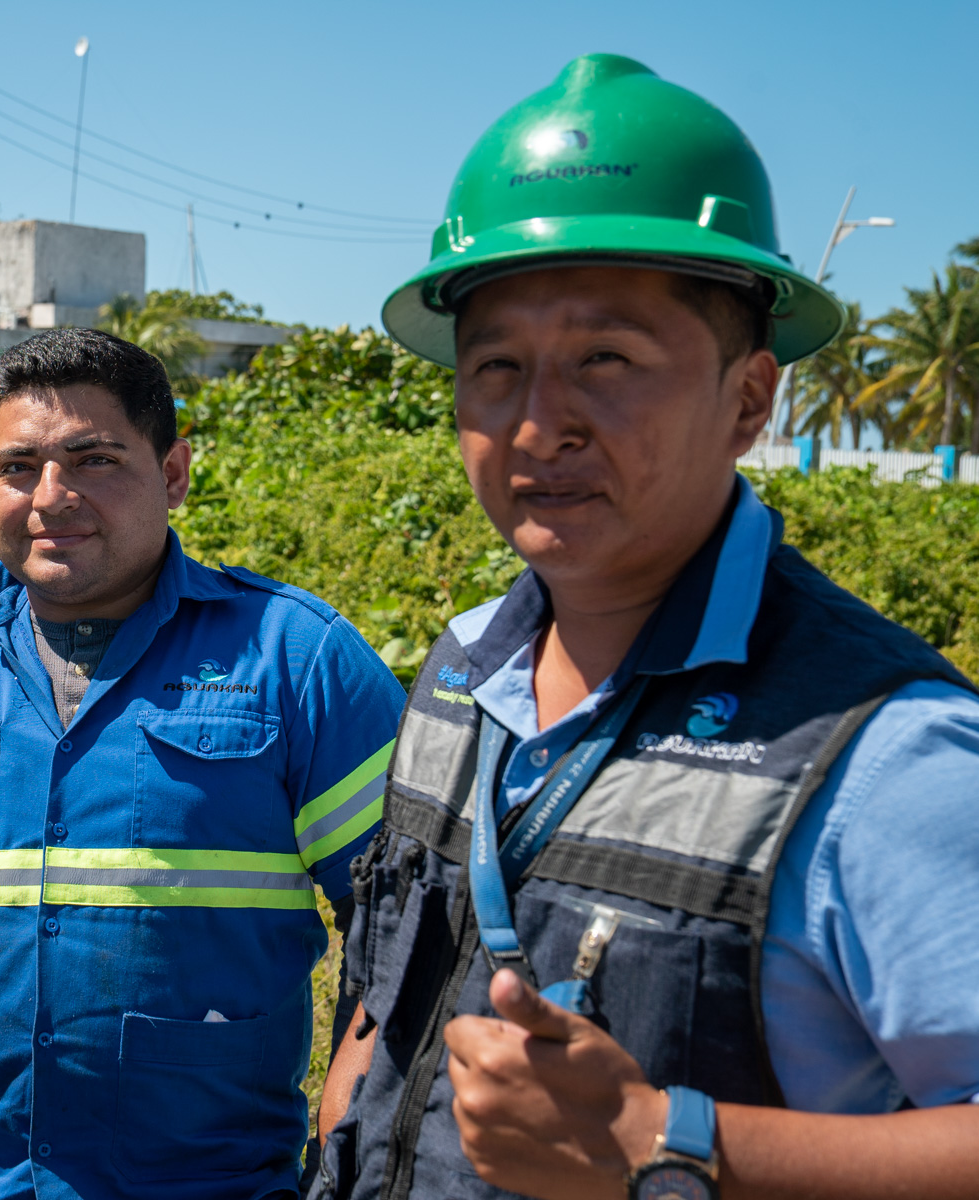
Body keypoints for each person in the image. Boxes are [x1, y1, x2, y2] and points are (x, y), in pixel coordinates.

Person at [312, 53, 979, 1200]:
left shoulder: (883, 757)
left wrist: (669, 1143)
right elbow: (393, 981)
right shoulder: (460, 675)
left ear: (750, 399)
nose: (538, 424)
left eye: (606, 360)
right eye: (497, 368)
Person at [0, 328, 408, 1200]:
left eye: (94, 458)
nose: (51, 496)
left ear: (174, 472)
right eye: (17, 466)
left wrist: (339, 1175)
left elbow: (398, 940)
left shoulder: (298, 659)